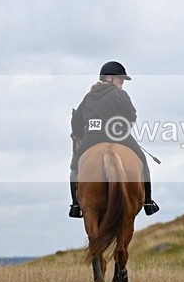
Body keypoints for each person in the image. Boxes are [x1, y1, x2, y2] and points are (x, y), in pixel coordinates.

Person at [68, 61, 159, 217]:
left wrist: (85, 133)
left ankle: (76, 205)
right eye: (120, 78)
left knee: (75, 168)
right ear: (108, 78)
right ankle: (148, 202)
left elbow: (76, 122)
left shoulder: (89, 97)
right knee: (143, 162)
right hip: (119, 137)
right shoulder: (120, 95)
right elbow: (132, 117)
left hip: (92, 139)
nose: (122, 81)